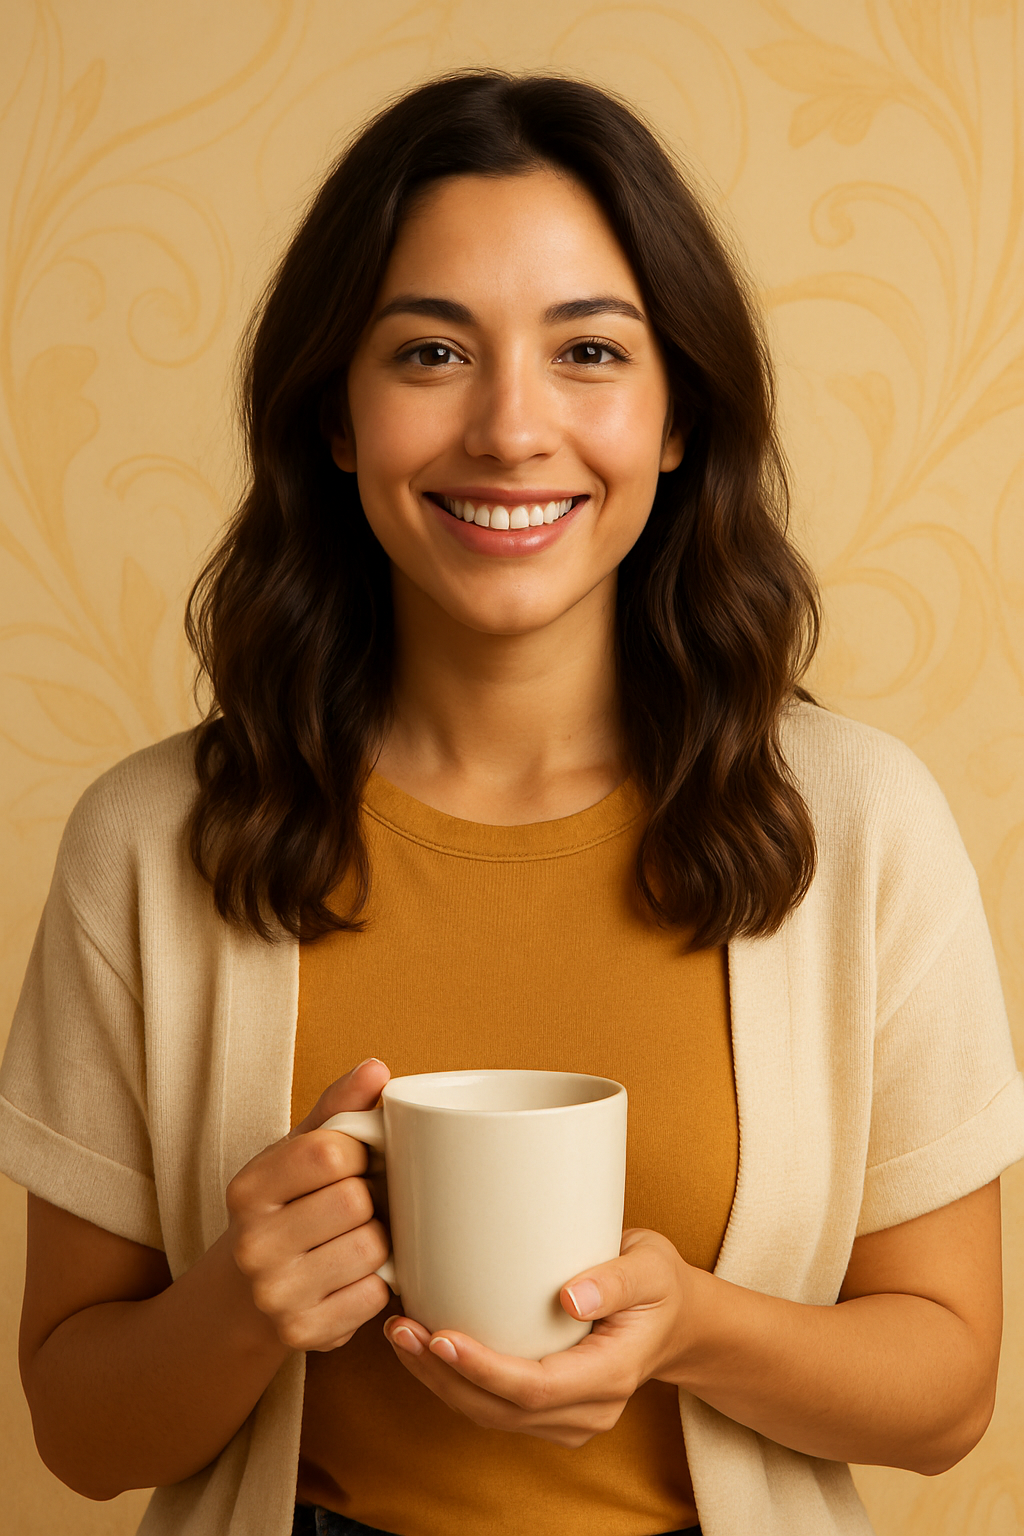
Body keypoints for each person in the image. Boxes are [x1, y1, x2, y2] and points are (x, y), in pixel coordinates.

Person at [1, 70, 1022, 1536]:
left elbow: (950, 1393)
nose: (510, 428)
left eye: (590, 351)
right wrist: (244, 1301)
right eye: (429, 352)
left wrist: (696, 1330)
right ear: (336, 418)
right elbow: (79, 1433)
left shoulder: (861, 827)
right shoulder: (149, 844)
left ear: (679, 418)